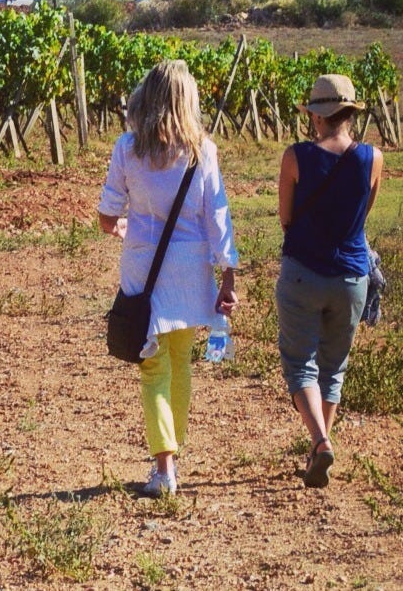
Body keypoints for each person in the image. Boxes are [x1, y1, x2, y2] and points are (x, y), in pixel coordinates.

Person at [98, 59, 238, 498]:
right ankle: (170, 456)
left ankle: (164, 468)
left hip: (145, 269)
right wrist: (228, 275)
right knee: (180, 362)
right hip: (191, 269)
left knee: (153, 366)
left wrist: (121, 227)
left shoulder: (128, 147)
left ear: (148, 98)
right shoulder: (203, 152)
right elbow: (218, 217)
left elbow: (107, 214)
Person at [275, 73, 384, 489]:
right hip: (352, 276)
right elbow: (363, 213)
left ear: (316, 117)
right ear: (350, 115)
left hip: (303, 270)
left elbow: (285, 216)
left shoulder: (295, 157)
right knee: (333, 368)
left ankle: (320, 442)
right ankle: (319, 446)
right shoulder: (373, 158)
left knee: (300, 362)